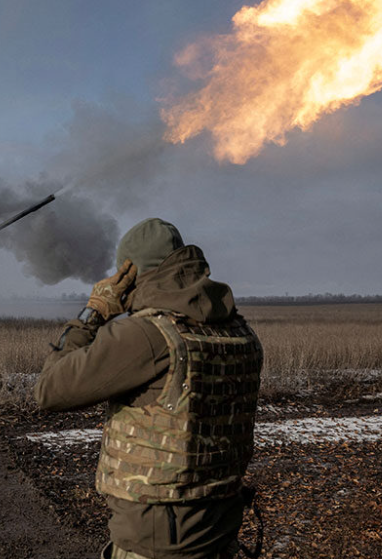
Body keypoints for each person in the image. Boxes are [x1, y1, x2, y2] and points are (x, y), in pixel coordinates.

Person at [34, 218, 263, 559]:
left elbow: (49, 390)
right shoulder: (239, 332)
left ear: (128, 275)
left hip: (157, 542)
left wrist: (93, 313)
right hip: (220, 532)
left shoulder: (145, 335)